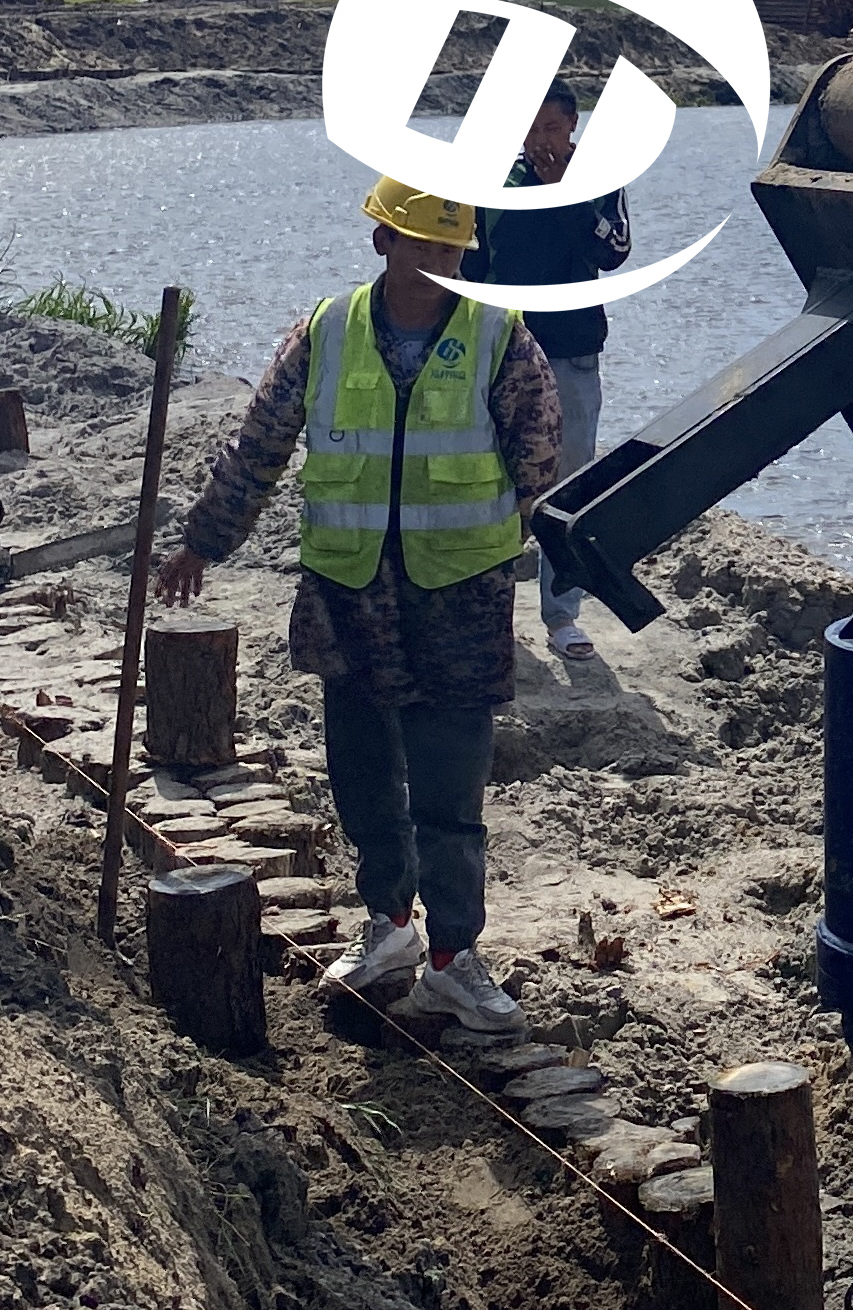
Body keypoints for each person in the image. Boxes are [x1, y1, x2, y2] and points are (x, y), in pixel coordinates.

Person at [153, 177, 560, 1032]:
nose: (441, 263)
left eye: (453, 250)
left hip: (458, 599)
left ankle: (453, 957)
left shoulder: (499, 337)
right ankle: (389, 923)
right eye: (425, 246)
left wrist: (485, 544)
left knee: (450, 792)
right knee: (365, 775)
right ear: (383, 242)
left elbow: (537, 457)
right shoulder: (328, 332)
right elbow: (259, 444)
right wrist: (204, 541)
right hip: (350, 595)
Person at [471, 82, 630, 668]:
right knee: (489, 478)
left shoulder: (599, 179)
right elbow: (469, 263)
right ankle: (489, 608)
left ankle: (562, 615)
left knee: (569, 482)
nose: (541, 140)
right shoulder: (493, 179)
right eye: (531, 129)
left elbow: (614, 252)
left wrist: (565, 192)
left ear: (572, 127)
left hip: (572, 349)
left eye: (552, 128)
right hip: (500, 350)